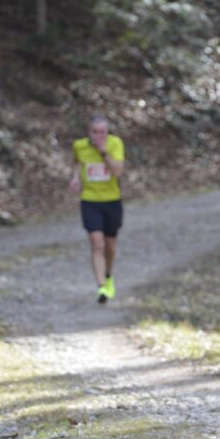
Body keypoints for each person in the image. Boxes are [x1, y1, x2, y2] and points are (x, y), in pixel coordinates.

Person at [70, 115, 125, 304]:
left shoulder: (115, 144)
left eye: (102, 132)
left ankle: (108, 276)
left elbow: (118, 171)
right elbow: (76, 161)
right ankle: (101, 286)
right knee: (97, 242)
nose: (98, 136)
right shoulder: (79, 146)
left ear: (107, 133)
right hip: (90, 201)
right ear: (89, 132)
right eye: (95, 132)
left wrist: (103, 153)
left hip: (112, 201)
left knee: (110, 246)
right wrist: (75, 177)